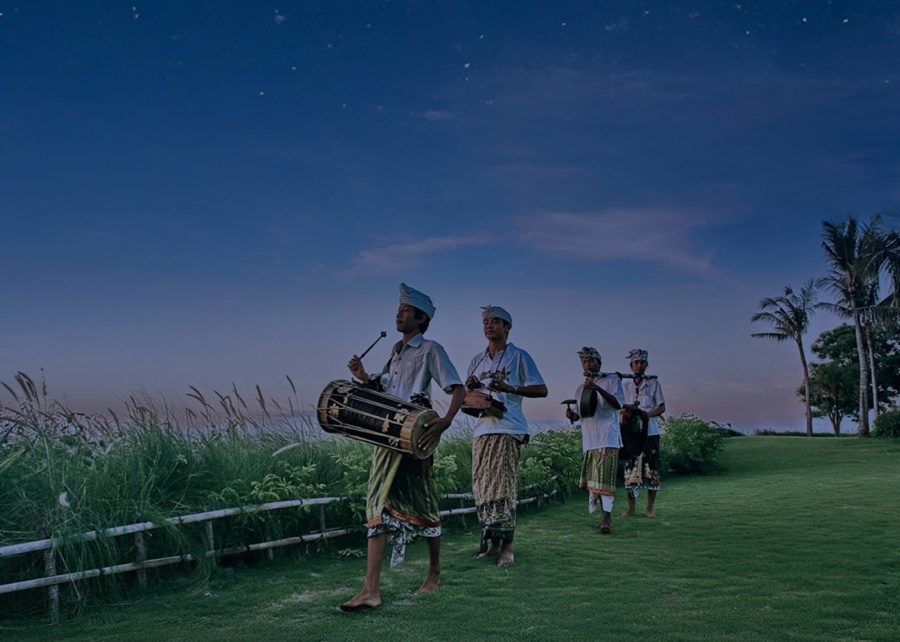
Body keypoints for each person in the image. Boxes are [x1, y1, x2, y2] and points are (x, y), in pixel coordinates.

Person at [340, 283, 465, 611]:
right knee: (376, 505)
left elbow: (458, 388)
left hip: (414, 434)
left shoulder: (430, 350)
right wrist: (363, 375)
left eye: (406, 310)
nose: (399, 314)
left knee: (424, 504)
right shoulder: (394, 351)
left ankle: (434, 571)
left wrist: (447, 421)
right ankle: (371, 590)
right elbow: (382, 389)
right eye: (399, 309)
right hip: (387, 434)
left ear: (421, 319)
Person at [465, 305, 547, 567]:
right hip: (482, 431)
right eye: (486, 322)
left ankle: (507, 547)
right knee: (484, 488)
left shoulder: (519, 356)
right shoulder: (477, 360)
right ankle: (492, 543)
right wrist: (472, 392)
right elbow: (470, 403)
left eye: (495, 321)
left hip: (508, 428)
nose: (489, 326)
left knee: (504, 487)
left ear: (507, 327)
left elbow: (542, 389)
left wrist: (510, 387)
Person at [564, 347, 624, 534]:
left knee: (605, 479)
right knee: (594, 482)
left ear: (599, 363)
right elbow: (583, 415)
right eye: (585, 361)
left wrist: (597, 388)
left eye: (591, 361)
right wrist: (572, 416)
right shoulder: (580, 389)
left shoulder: (612, 380)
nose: (588, 364)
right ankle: (602, 517)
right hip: (590, 440)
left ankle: (607, 519)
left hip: (607, 437)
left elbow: (618, 404)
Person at [620, 348, 666, 518]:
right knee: (630, 469)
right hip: (631, 433)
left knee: (652, 469)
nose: (639, 366)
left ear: (646, 364)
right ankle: (631, 508)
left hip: (651, 431)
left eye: (642, 362)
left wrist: (648, 415)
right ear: (631, 365)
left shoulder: (654, 384)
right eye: (636, 363)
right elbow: (621, 406)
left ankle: (649, 508)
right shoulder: (625, 385)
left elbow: (661, 406)